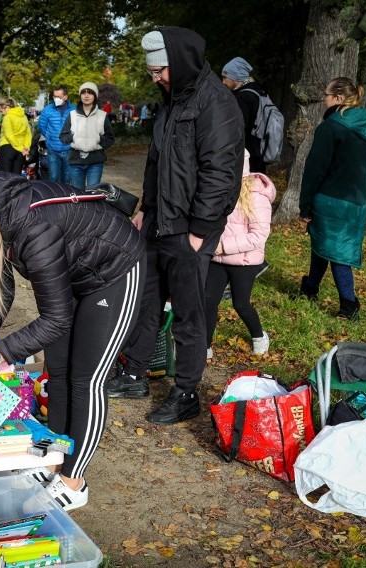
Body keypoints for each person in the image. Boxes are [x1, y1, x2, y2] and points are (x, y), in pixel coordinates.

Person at [0, 172, 145, 511]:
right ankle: (53, 459)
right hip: (72, 269)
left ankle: (74, 481)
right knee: (58, 373)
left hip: (114, 269)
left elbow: (56, 319)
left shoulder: (33, 228)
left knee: (86, 380)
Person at [108, 27, 244, 424]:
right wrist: (145, 209)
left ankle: (186, 391)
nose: (155, 78)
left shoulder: (216, 103)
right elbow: (157, 161)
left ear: (181, 62)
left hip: (191, 227)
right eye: (151, 71)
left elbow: (220, 172)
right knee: (144, 301)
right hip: (158, 221)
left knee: (188, 312)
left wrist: (200, 229)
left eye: (160, 70)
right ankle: (135, 373)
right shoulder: (171, 100)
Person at [298, 77, 366, 322]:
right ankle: (310, 287)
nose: (323, 100)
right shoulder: (365, 125)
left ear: (338, 99)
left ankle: (349, 305)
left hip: (331, 199)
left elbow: (314, 170)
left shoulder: (331, 127)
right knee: (324, 245)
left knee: (338, 253)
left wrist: (305, 204)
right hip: (357, 201)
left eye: (326, 95)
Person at [204, 150, 275, 359]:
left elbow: (259, 235)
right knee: (208, 302)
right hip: (217, 259)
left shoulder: (255, 195)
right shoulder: (218, 190)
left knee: (240, 303)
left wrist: (224, 246)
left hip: (244, 260)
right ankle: (204, 347)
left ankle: (259, 336)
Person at [59, 82, 114, 189]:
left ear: (95, 96)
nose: (86, 95)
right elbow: (63, 136)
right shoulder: (72, 115)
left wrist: (98, 139)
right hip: (75, 160)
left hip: (95, 161)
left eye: (90, 93)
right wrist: (74, 137)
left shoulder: (102, 116)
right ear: (80, 96)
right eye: (83, 92)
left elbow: (110, 138)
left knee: (92, 194)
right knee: (78, 194)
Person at [221, 57, 270, 173]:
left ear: (235, 77)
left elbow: (239, 128)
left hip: (246, 155)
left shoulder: (242, 97)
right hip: (260, 151)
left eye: (225, 77)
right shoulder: (259, 92)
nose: (223, 82)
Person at [37, 86, 76, 183]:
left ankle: (66, 197)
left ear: (65, 97)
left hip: (69, 149)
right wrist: (50, 137)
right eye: (54, 96)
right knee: (54, 178)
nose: (56, 99)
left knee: (67, 178)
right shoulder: (47, 110)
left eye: (58, 96)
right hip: (53, 150)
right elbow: (42, 126)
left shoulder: (74, 110)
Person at [0, 97, 31, 174]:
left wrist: (19, 147)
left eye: (1, 111)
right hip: (21, 151)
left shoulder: (7, 117)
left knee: (5, 176)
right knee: (16, 177)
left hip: (7, 148)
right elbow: (28, 134)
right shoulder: (24, 117)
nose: (1, 114)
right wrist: (26, 147)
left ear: (7, 107)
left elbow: (9, 135)